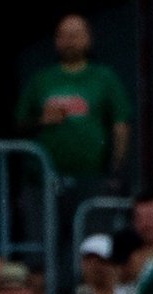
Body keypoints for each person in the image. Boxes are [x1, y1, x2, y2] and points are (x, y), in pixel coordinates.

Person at [16, 13, 132, 260]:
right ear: (56, 40)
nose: (70, 40)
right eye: (64, 35)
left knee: (93, 252)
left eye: (76, 34)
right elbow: (19, 123)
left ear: (88, 39)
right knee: (40, 254)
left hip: (92, 179)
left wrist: (116, 170)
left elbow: (121, 124)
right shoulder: (42, 79)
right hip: (43, 181)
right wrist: (41, 120)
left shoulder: (104, 77)